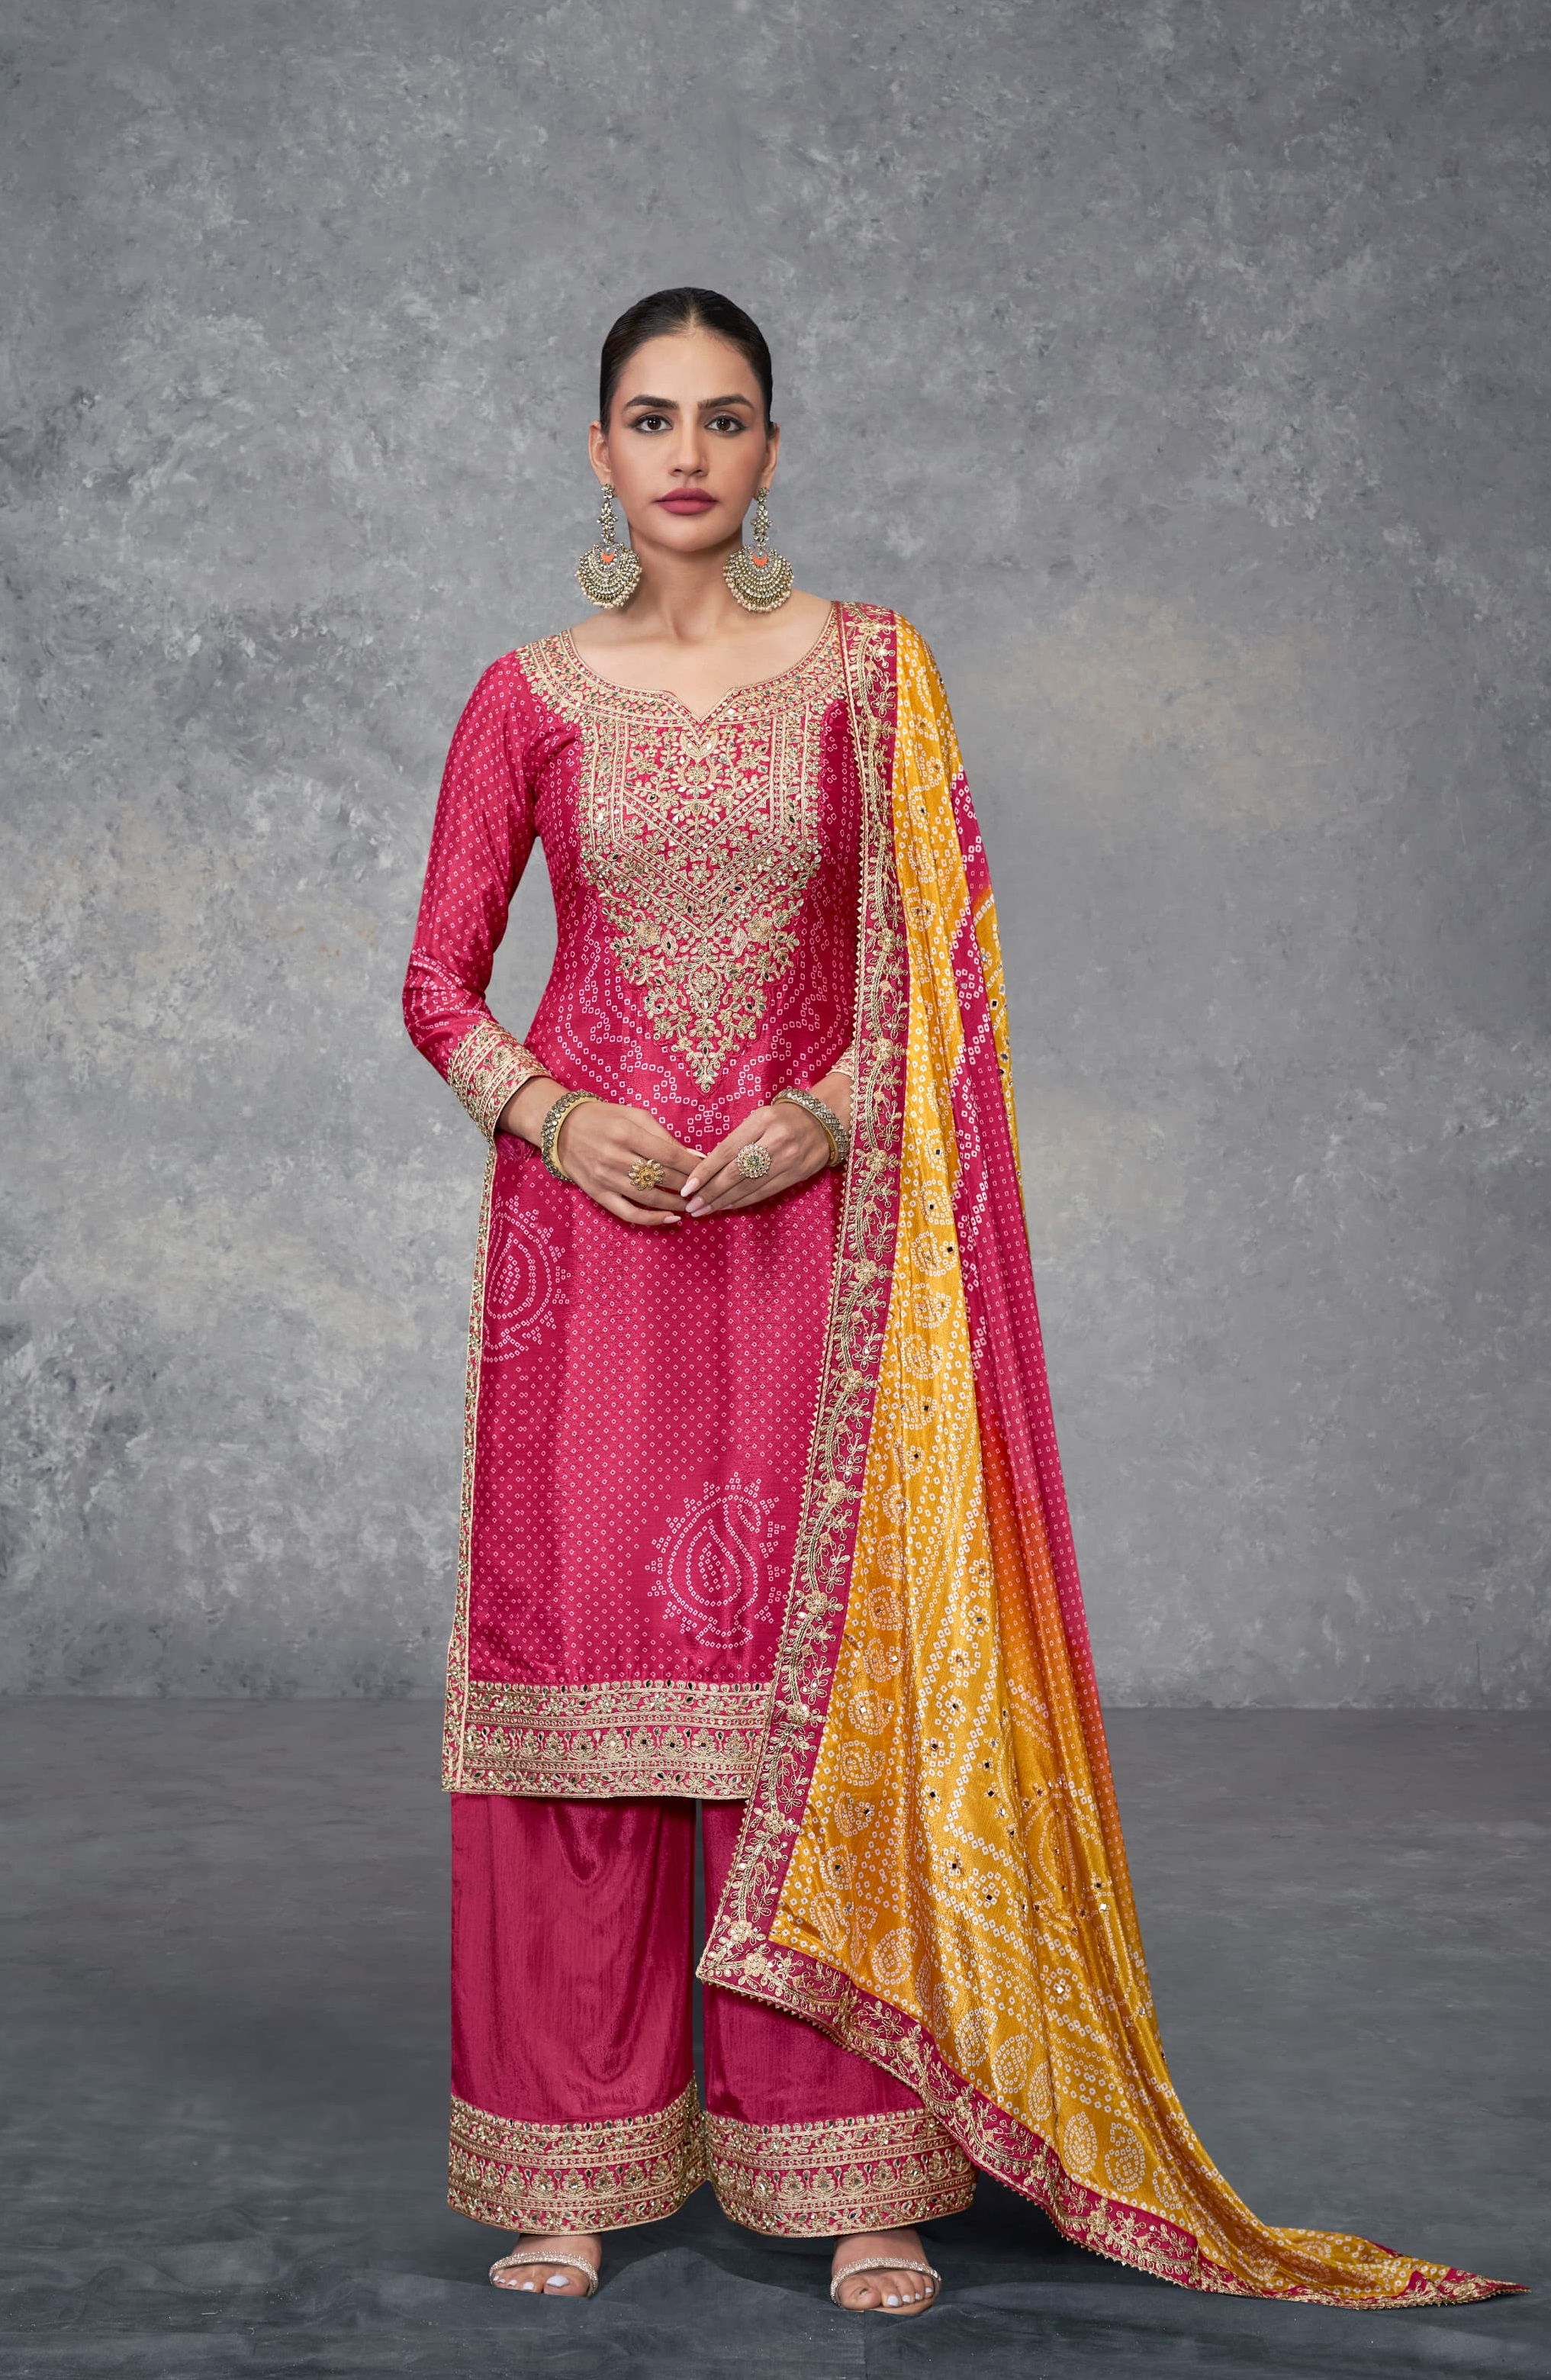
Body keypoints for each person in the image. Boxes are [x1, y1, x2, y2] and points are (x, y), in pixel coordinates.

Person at [402, 287, 1514, 2318]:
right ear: (596, 451)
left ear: (771, 449)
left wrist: (826, 1120)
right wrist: (558, 1117)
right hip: (593, 1261)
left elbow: (945, 977)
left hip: (822, 1260)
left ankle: (855, 2174)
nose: (684, 454)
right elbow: (436, 981)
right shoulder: (526, 697)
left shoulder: (873, 674)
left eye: (722, 418)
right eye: (648, 418)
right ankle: (575, 2165)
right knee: (586, 1704)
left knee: (829, 1692)